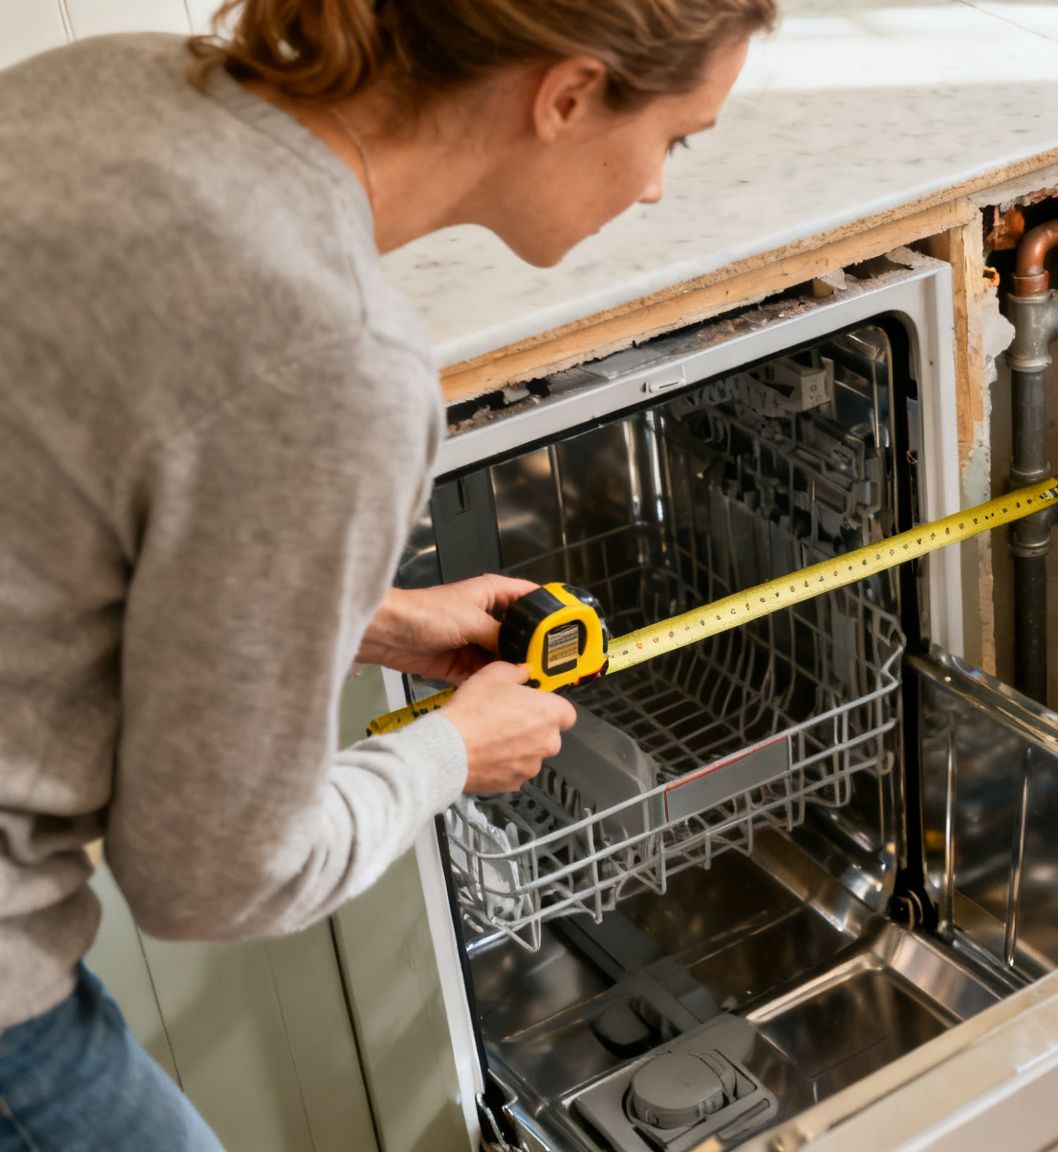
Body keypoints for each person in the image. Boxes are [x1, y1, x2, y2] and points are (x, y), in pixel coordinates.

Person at [0, 0, 773, 1147]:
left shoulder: (113, 83)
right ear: (566, 96)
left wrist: (380, 619)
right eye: (676, 137)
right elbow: (211, 883)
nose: (658, 186)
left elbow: (73, 510)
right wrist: (447, 752)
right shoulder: (333, 354)